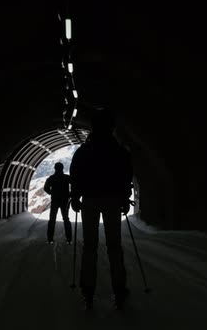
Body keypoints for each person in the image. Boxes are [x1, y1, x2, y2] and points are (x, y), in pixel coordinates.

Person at [70, 107, 133, 310]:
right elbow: (126, 176)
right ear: (111, 126)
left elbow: (76, 174)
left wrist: (75, 197)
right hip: (113, 200)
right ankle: (120, 290)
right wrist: (125, 198)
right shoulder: (119, 151)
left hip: (90, 200)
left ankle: (88, 290)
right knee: (114, 246)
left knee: (90, 246)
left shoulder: (84, 151)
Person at [43, 162, 72, 244]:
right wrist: (70, 194)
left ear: (55, 168)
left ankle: (50, 239)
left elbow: (46, 188)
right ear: (62, 168)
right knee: (66, 219)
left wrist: (52, 193)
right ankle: (69, 239)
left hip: (55, 201)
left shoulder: (51, 178)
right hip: (65, 201)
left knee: (52, 220)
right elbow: (75, 184)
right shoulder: (66, 177)